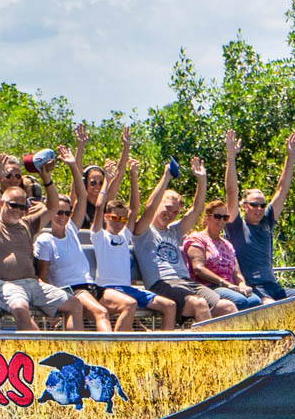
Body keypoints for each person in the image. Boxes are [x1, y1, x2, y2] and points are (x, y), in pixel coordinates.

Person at [0, 153, 83, 331]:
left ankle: (74, 352)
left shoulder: (27, 223)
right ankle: (39, 352)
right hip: (4, 286)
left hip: (33, 284)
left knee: (75, 304)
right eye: (13, 205)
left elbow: (53, 207)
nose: (18, 210)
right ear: (1, 203)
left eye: (22, 207)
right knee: (20, 308)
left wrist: (46, 177)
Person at [133, 155, 236, 323]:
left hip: (187, 282)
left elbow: (196, 210)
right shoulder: (144, 231)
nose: (170, 215)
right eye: (167, 209)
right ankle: (208, 347)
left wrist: (202, 180)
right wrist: (166, 177)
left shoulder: (174, 231)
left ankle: (232, 346)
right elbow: (149, 207)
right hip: (162, 284)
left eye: (175, 212)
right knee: (199, 304)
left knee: (228, 307)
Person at [90, 131, 176, 330]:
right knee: (129, 304)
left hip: (128, 289)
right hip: (107, 290)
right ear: (106, 217)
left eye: (122, 218)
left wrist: (134, 175)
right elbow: (99, 206)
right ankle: (118, 349)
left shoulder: (124, 235)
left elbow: (135, 209)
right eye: (115, 218)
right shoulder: (99, 235)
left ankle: (164, 351)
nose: (119, 222)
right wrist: (107, 180)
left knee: (169, 306)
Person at [33, 146, 113, 333]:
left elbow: (82, 196)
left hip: (90, 286)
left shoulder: (71, 229)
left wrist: (73, 166)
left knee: (129, 304)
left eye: (67, 212)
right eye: (58, 212)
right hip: (71, 289)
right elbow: (43, 276)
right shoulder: (45, 239)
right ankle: (111, 355)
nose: (63, 216)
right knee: (101, 313)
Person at [224, 128, 295, 302]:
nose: (259, 209)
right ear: (244, 206)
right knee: (271, 307)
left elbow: (282, 190)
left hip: (273, 285)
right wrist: (230, 156)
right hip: (253, 288)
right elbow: (231, 191)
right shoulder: (236, 225)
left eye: (262, 205)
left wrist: (291, 157)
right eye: (254, 205)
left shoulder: (267, 221)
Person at [183, 200, 265, 310]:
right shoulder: (197, 239)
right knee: (239, 301)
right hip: (209, 286)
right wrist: (225, 283)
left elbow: (236, 273)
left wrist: (242, 285)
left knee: (255, 301)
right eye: (217, 216)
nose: (221, 220)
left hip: (231, 287)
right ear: (207, 217)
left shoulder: (227, 244)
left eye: (225, 217)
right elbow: (198, 268)